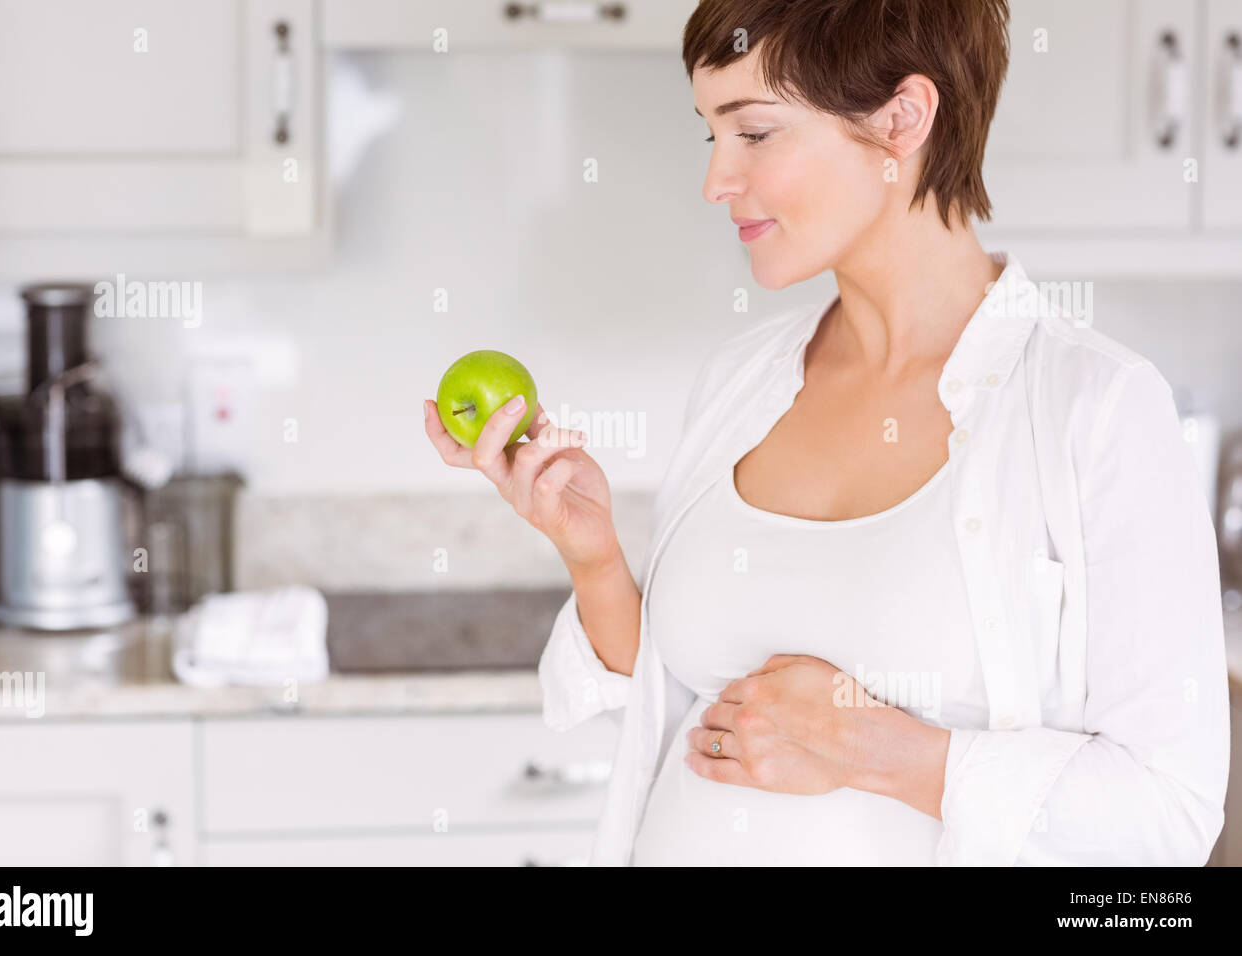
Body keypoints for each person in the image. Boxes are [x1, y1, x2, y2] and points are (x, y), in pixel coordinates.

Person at [423, 0, 1229, 866]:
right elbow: (685, 705)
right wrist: (592, 555)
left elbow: (1168, 812)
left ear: (901, 119)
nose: (717, 181)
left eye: (756, 134)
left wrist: (869, 746)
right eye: (711, 136)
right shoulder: (742, 381)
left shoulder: (1094, 407)